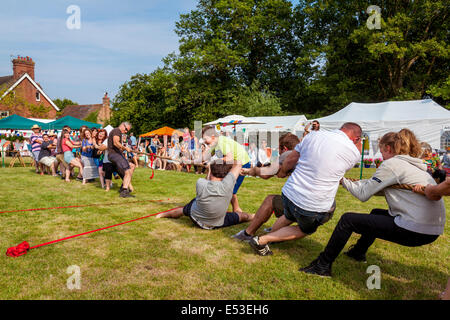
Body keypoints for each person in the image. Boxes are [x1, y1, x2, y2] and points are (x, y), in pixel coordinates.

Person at [300, 129, 446, 277]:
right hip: (432, 231)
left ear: (388, 148)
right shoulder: (414, 166)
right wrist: (354, 183)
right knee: (376, 213)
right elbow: (377, 189)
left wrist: (343, 180)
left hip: (416, 230)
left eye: (381, 150)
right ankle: (357, 253)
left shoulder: (392, 164)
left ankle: (322, 266)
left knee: (347, 220)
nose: (381, 155)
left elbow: (364, 194)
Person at [248, 122, 362, 256]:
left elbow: (291, 160)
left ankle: (271, 238)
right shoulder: (353, 152)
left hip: (289, 193)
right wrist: (358, 145)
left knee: (289, 215)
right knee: (306, 229)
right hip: (312, 204)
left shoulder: (313, 136)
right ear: (356, 139)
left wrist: (283, 171)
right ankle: (262, 240)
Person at [232, 133, 301, 241]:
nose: (278, 152)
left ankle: (247, 233)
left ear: (285, 148)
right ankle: (275, 231)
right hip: (324, 208)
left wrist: (251, 171)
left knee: (271, 200)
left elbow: (265, 174)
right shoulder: (307, 155)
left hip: (302, 206)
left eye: (279, 149)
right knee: (291, 199)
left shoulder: (288, 154)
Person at [156, 160, 254, 229]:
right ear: (225, 175)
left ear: (210, 171)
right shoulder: (228, 184)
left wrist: (210, 167)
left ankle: (162, 215)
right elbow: (238, 164)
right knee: (243, 216)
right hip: (217, 223)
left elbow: (208, 179)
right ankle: (254, 216)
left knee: (183, 209)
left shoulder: (200, 182)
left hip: (195, 218)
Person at [201, 125, 251, 213]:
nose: (204, 141)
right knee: (221, 185)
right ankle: (232, 209)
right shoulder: (215, 143)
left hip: (241, 163)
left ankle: (236, 209)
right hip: (234, 163)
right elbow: (205, 157)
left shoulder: (221, 143)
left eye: (205, 138)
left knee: (230, 188)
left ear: (213, 137)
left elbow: (229, 158)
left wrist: (213, 161)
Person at [107, 122, 136, 198]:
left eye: (127, 131)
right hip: (114, 155)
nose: (126, 132)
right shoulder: (117, 130)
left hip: (117, 155)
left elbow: (117, 145)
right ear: (123, 125)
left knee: (132, 166)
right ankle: (124, 191)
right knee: (127, 170)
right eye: (126, 129)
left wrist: (123, 150)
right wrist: (125, 148)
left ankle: (123, 187)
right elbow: (116, 142)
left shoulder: (118, 132)